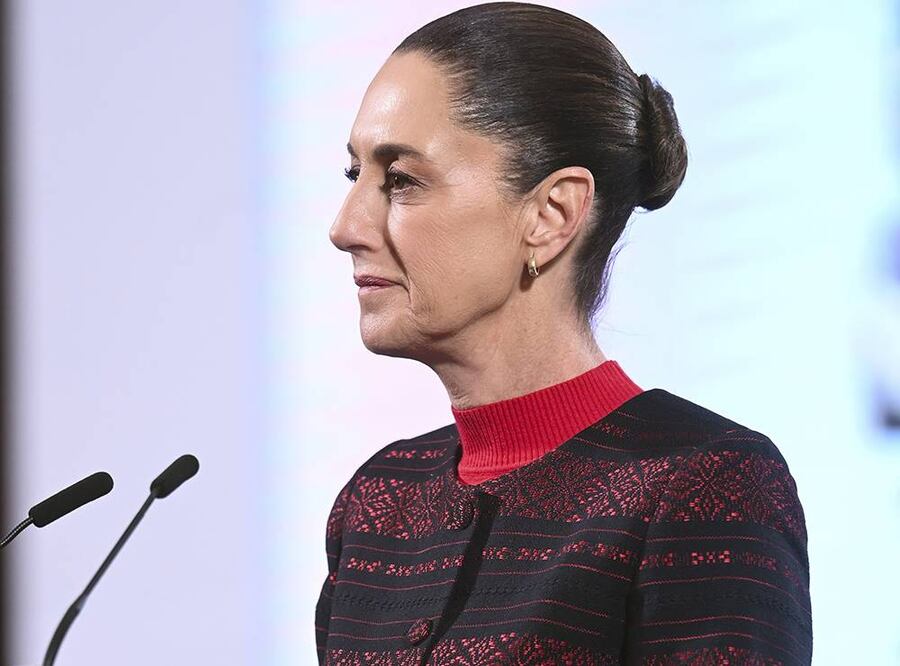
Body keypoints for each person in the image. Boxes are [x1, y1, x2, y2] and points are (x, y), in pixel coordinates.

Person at [317, 2, 812, 664]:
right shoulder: (378, 502)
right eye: (357, 175)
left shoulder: (704, 482)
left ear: (551, 214)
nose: (346, 226)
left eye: (401, 180)